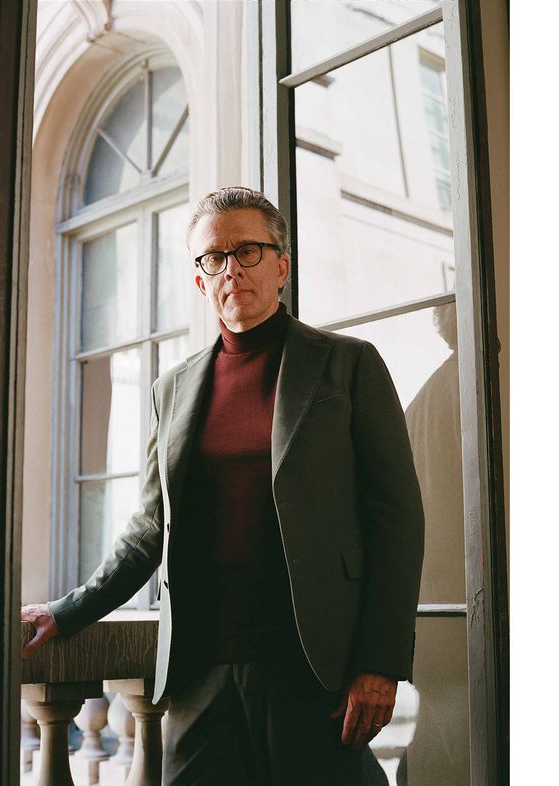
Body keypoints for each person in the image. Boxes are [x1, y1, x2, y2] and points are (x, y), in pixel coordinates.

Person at [22, 186, 424, 785]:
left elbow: (397, 521)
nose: (231, 268)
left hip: (316, 671)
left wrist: (380, 662)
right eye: (214, 257)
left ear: (282, 266)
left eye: (248, 251)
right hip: (198, 673)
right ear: (199, 280)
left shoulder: (349, 364)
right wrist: (67, 611)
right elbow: (149, 530)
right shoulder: (172, 390)